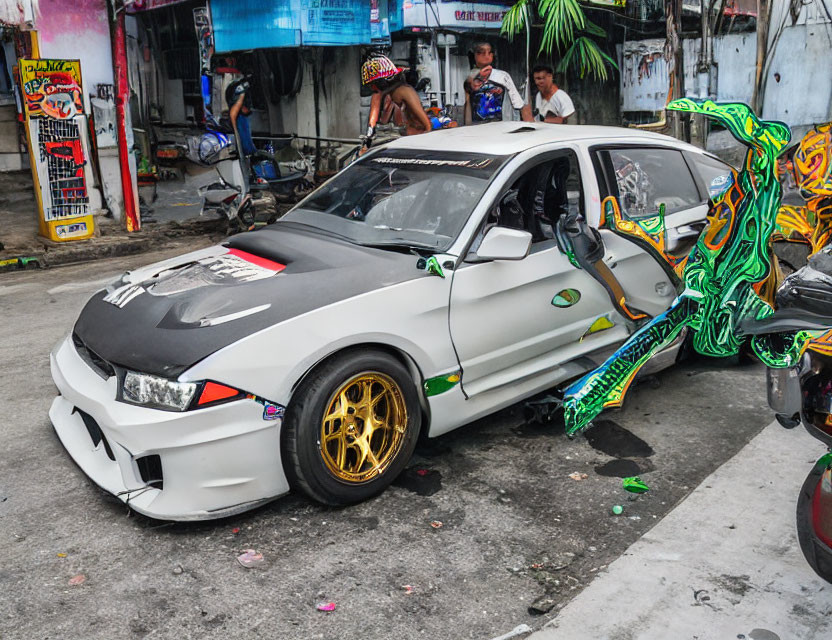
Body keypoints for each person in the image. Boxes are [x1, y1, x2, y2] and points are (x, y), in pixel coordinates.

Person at [360, 55, 434, 153]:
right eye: (370, 85)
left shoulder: (405, 91)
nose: (373, 88)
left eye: (374, 84)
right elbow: (371, 125)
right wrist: (367, 143)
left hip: (415, 141)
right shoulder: (378, 95)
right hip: (398, 141)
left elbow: (427, 125)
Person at [463, 42, 532, 125]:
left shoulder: (503, 77)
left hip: (500, 127)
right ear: (475, 55)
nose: (486, 55)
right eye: (481, 52)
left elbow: (518, 104)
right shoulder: (469, 79)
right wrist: (468, 128)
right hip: (477, 128)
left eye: (489, 52)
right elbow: (467, 104)